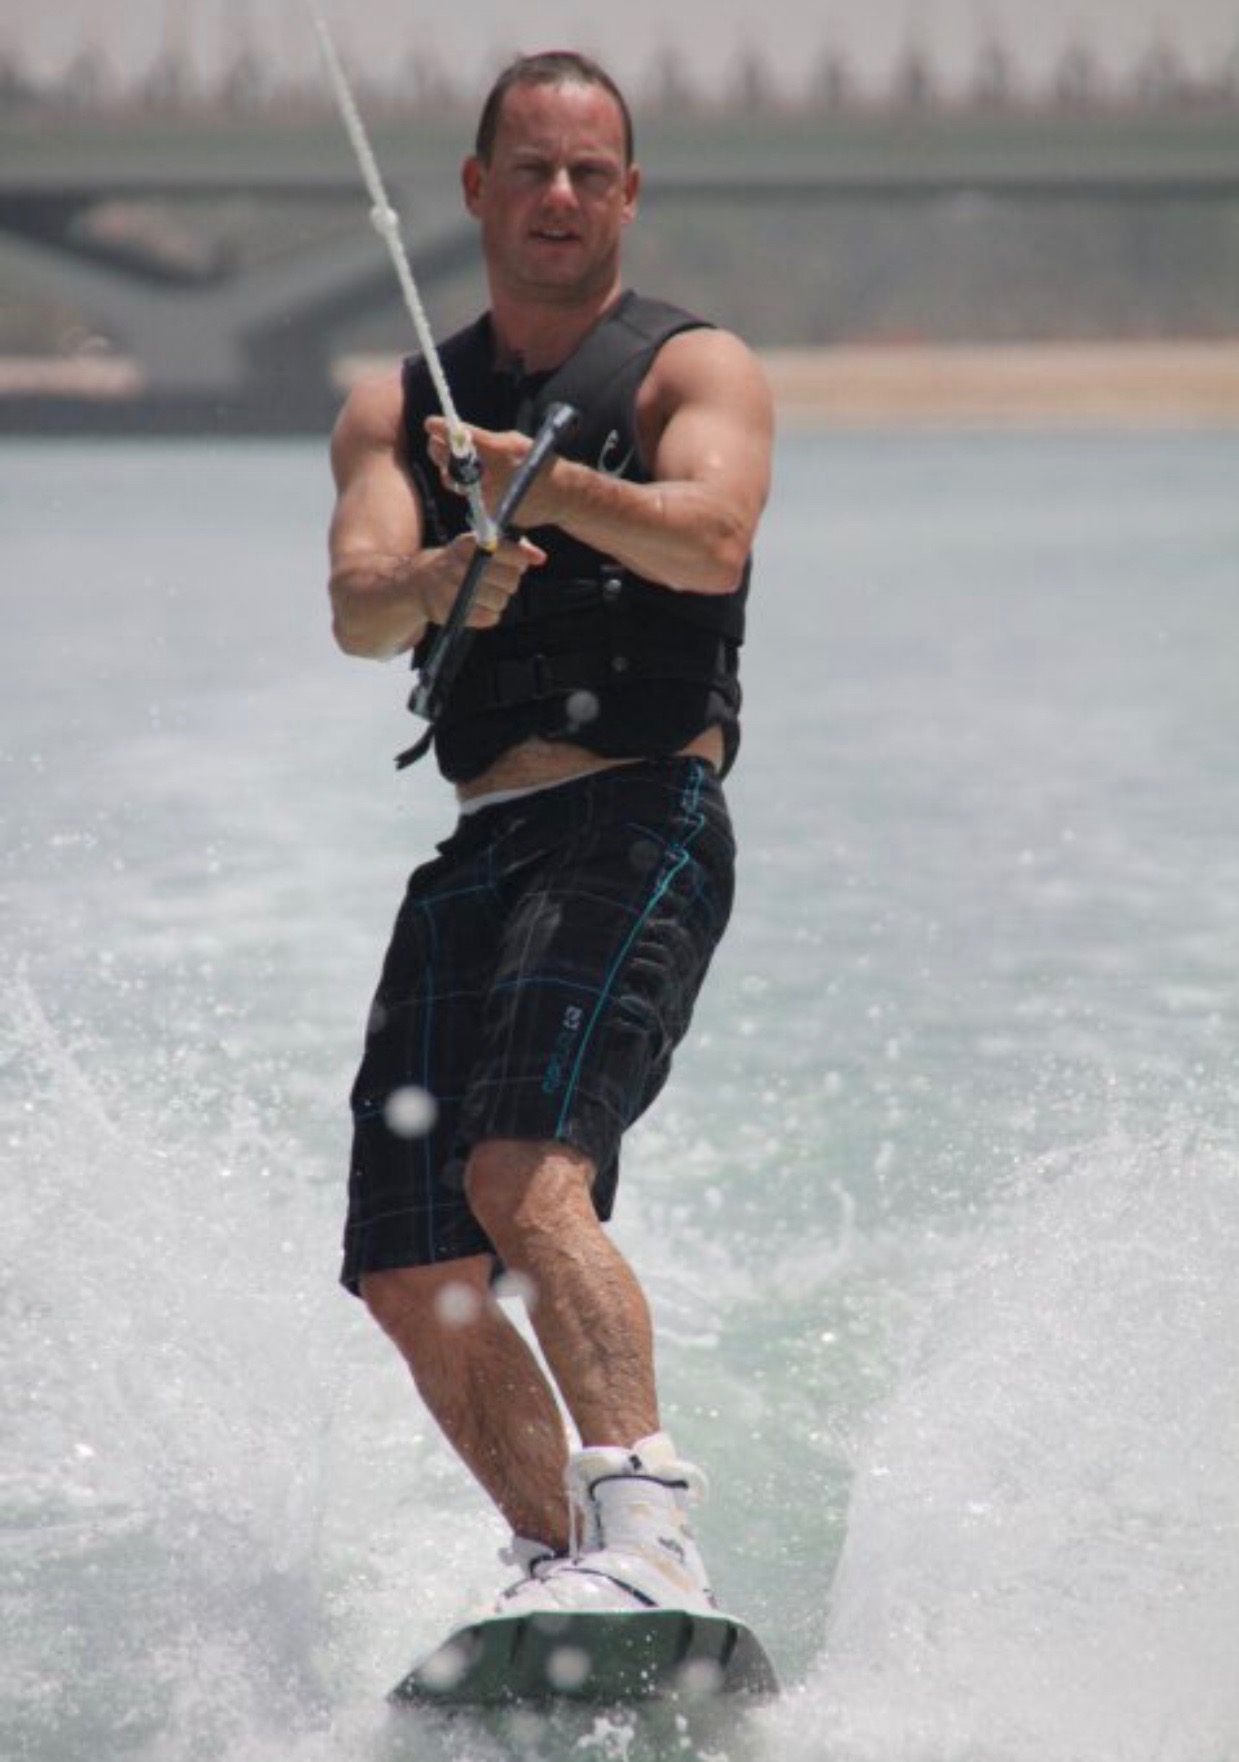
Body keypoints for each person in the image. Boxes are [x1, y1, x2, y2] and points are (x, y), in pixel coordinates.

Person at [326, 50, 773, 1617]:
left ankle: (649, 1524)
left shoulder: (690, 371)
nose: (562, 195)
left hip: (640, 812)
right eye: (531, 169)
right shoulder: (399, 406)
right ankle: (566, 1564)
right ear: (476, 189)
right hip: (482, 845)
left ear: (630, 193)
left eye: (591, 172)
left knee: (523, 1174)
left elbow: (714, 538)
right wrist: (437, 576)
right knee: (409, 1263)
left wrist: (553, 492)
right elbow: (356, 607)